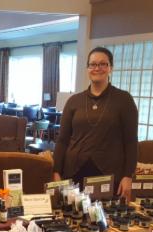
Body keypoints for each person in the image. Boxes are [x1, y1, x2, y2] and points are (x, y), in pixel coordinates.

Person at [53, 46, 138, 201]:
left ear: (110, 68)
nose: (97, 68)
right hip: (73, 171)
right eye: (93, 64)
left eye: (102, 64)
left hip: (109, 174)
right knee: (71, 213)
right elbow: (63, 139)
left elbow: (131, 141)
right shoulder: (74, 101)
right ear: (88, 68)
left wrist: (128, 176)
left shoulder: (124, 100)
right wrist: (56, 171)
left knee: (107, 215)